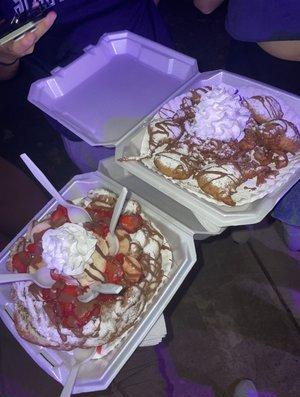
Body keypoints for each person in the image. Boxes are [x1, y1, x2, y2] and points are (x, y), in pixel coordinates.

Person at [0, 0, 173, 173]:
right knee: (127, 191)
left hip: (161, 83)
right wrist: (7, 56)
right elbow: (4, 72)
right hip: (81, 120)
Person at [194, 0, 300, 251]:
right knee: (240, 151)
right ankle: (248, 215)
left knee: (272, 161)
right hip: (257, 66)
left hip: (256, 62)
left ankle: (274, 216)